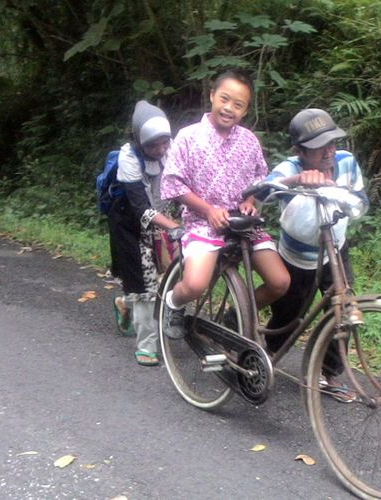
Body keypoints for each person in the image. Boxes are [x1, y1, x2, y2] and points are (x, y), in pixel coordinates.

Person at [160, 70, 290, 324]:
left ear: (245, 110)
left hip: (242, 224)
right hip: (203, 223)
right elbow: (172, 183)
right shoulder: (189, 137)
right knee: (195, 285)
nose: (229, 108)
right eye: (224, 99)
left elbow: (257, 181)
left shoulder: (249, 141)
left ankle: (234, 316)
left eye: (238, 105)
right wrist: (208, 210)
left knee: (280, 282)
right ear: (212, 96)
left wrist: (249, 202)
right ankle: (172, 303)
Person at [260, 108, 369, 402]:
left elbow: (361, 199)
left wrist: (335, 190)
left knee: (343, 307)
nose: (328, 151)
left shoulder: (346, 162)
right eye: (318, 147)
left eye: (332, 143)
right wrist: (297, 180)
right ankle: (268, 352)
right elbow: (263, 190)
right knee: (289, 314)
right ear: (300, 151)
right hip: (297, 256)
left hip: (335, 247)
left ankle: (327, 372)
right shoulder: (290, 167)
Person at [108, 100, 181, 366]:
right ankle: (147, 345)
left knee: (177, 271)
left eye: (164, 142)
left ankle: (124, 305)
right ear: (139, 140)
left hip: (162, 220)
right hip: (130, 225)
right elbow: (140, 208)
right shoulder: (129, 157)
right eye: (153, 145)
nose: (160, 149)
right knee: (144, 286)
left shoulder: (170, 150)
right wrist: (172, 226)